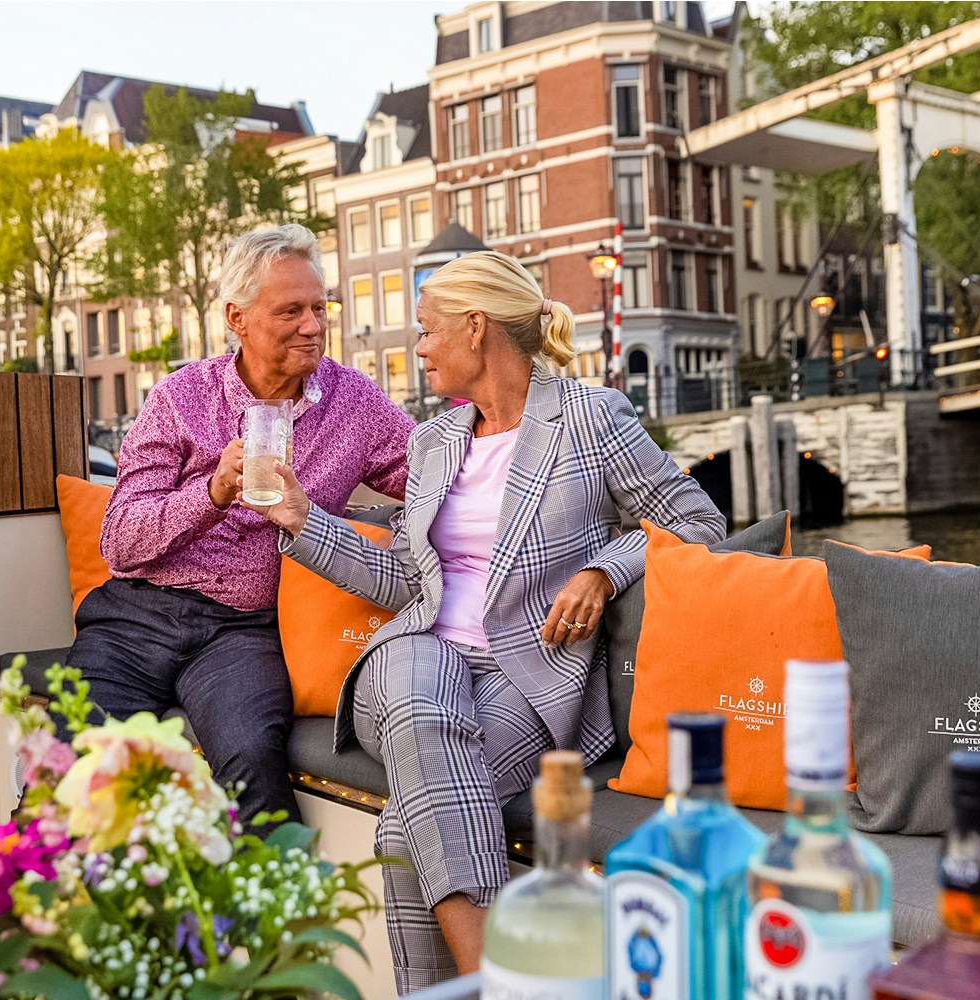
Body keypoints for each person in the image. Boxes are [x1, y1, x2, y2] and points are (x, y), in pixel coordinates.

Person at [249, 251, 726, 991]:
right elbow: (405, 578)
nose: (420, 348)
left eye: (429, 331)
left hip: (526, 674)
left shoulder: (590, 419)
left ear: (476, 330)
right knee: (419, 686)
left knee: (408, 829)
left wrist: (605, 570)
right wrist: (304, 520)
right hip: (417, 655)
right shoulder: (431, 442)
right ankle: (498, 978)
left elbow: (698, 521)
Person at [66, 224, 413, 831]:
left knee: (254, 765)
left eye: (318, 307)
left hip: (246, 629)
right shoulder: (180, 397)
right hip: (138, 614)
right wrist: (212, 493)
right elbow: (119, 538)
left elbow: (430, 475)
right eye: (290, 311)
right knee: (73, 776)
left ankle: (267, 923)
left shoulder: (352, 401)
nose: (313, 325)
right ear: (238, 318)